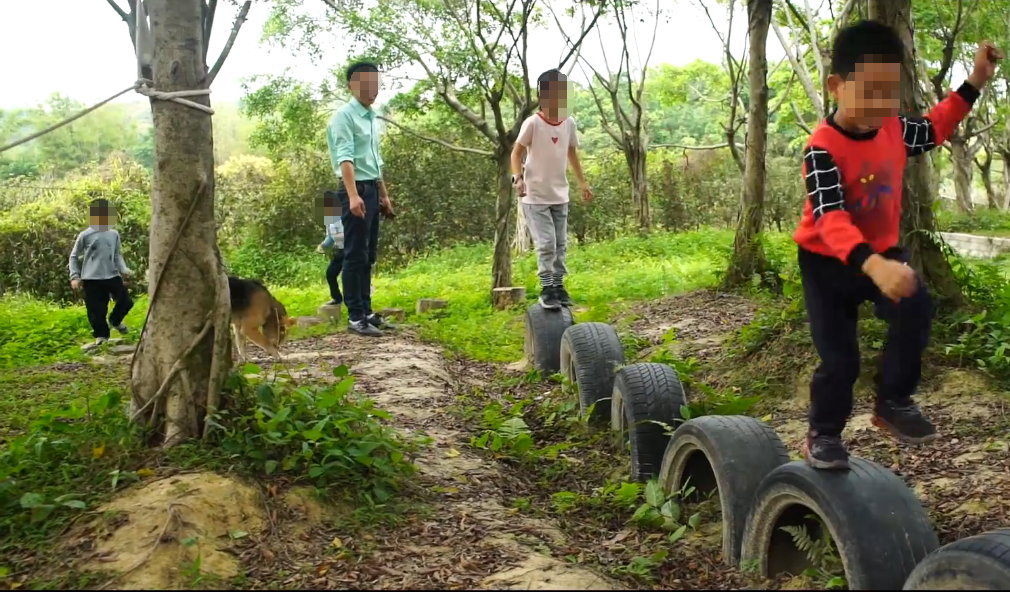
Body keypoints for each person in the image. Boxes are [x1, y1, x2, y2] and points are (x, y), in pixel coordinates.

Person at [795, 20, 1002, 470]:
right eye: (870, 92)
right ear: (836, 86)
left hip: (882, 253)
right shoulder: (821, 148)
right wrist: (872, 266)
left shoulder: (894, 129)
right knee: (840, 359)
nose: (881, 104)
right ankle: (823, 434)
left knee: (916, 307)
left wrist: (975, 80)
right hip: (827, 262)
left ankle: (893, 400)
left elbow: (936, 126)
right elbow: (830, 218)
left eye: (889, 93)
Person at [511, 69, 592, 310]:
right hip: (535, 196)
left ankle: (558, 286)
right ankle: (546, 288)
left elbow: (571, 153)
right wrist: (518, 178)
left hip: (560, 194)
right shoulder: (533, 123)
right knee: (546, 243)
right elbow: (516, 153)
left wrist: (582, 183)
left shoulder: (569, 123)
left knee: (560, 244)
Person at [326, 60, 395, 337]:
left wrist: (384, 195)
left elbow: (375, 161)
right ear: (351, 86)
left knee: (368, 255)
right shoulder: (344, 117)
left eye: (375, 84)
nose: (372, 89)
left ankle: (367, 312)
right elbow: (345, 158)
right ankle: (355, 317)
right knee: (354, 254)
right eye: (366, 84)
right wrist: (353, 196)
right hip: (354, 191)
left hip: (371, 189)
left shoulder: (371, 117)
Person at [69, 198, 135, 346]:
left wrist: (124, 270)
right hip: (91, 278)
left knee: (126, 301)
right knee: (96, 310)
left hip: (112, 275)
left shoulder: (114, 234)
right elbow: (74, 256)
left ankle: (115, 321)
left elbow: (117, 255)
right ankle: (102, 336)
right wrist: (75, 276)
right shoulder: (85, 235)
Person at [316, 191, 344, 308]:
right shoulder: (329, 220)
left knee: (348, 276)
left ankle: (355, 301)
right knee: (330, 274)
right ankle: (337, 298)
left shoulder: (345, 215)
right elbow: (330, 237)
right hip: (339, 250)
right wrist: (323, 245)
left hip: (351, 249)